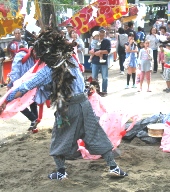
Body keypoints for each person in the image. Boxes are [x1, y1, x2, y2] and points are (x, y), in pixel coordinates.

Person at [0, 29, 128, 179]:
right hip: (84, 104)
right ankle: (113, 167)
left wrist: (6, 100)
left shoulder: (48, 70)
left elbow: (25, 87)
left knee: (59, 139)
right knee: (96, 134)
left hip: (67, 108)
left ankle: (61, 172)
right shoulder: (72, 60)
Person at [6, 47, 38, 130]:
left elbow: (15, 72)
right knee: (31, 101)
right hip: (32, 82)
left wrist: (12, 84)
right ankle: (34, 121)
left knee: (17, 102)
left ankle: (33, 119)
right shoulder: (31, 56)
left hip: (21, 84)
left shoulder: (18, 56)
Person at [90, 27, 111, 96]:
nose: (102, 34)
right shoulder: (93, 40)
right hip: (95, 62)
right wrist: (93, 52)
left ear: (105, 33)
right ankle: (96, 91)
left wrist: (100, 52)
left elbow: (108, 51)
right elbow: (90, 50)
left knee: (105, 77)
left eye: (103, 32)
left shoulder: (107, 41)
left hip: (104, 62)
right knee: (94, 77)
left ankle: (104, 91)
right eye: (101, 32)